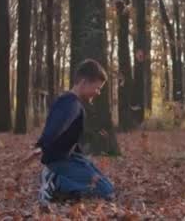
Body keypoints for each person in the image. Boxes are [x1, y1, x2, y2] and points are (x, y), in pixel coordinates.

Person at [22, 59, 115, 204]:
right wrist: (40, 147)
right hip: (59, 161)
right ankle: (55, 182)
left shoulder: (67, 101)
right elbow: (57, 126)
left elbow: (65, 132)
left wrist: (84, 160)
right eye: (96, 88)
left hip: (69, 158)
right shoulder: (71, 104)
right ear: (83, 83)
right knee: (106, 190)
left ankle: (56, 179)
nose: (98, 93)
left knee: (106, 184)